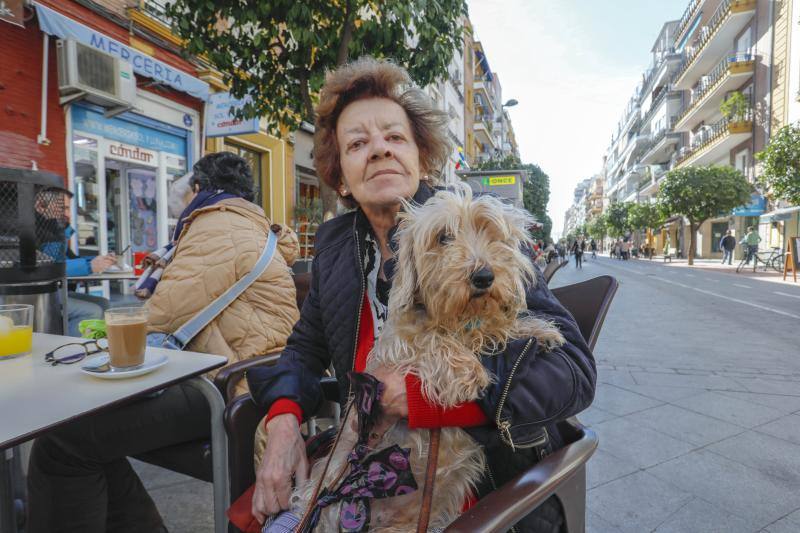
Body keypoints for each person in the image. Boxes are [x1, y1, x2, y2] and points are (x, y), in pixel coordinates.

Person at [245, 58, 595, 532]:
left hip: (486, 484)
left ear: (420, 157)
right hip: (369, 471)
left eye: (394, 137)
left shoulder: (475, 232)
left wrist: (425, 399)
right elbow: (304, 350)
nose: (378, 151)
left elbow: (573, 371)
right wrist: (284, 420)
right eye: (357, 143)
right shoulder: (336, 253)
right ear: (341, 177)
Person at [26, 152, 301, 533]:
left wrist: (103, 338)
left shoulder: (217, 226)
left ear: (199, 189)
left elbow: (161, 316)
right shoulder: (249, 225)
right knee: (82, 433)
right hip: (247, 375)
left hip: (228, 383)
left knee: (64, 438)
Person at [34, 188, 118, 336]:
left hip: (54, 291)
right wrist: (88, 266)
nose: (67, 214)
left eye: (68, 208)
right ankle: (72, 353)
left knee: (103, 304)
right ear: (40, 206)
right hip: (39, 295)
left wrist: (96, 261)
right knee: (92, 311)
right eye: (63, 208)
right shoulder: (34, 231)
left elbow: (66, 260)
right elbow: (46, 269)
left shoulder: (55, 231)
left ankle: (96, 346)